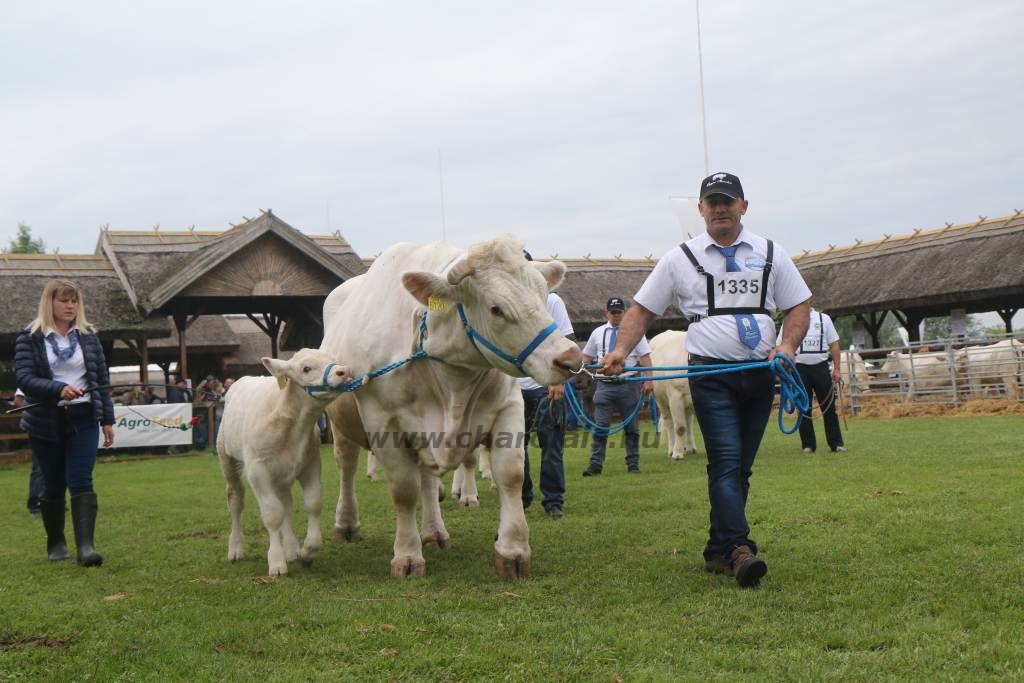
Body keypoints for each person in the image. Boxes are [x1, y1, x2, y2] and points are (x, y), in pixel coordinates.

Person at [600, 172, 811, 588]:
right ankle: (739, 549)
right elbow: (641, 310)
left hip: (759, 373)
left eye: (727, 201)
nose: (719, 208)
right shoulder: (679, 258)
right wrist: (621, 351)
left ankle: (717, 549)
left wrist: (787, 346)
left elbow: (799, 304)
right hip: (710, 375)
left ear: (743, 206)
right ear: (700, 210)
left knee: (741, 467)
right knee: (727, 462)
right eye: (711, 202)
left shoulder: (772, 253)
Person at [15, 279, 115, 566]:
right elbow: (24, 377)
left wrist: (107, 418)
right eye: (64, 300)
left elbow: (101, 381)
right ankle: (56, 541)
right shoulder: (29, 337)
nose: (71, 306)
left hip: (83, 418)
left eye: (74, 301)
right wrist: (57, 388)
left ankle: (86, 547)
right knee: (54, 484)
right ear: (50, 302)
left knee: (82, 479)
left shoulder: (89, 337)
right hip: (45, 420)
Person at [519, 250, 576, 519]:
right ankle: (521, 496)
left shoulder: (551, 300)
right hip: (512, 387)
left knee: (551, 445)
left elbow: (566, 339)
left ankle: (553, 500)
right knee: (514, 446)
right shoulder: (502, 303)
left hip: (545, 385)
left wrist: (558, 381)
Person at [581, 297, 653, 476]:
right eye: (613, 312)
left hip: (627, 384)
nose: (616, 315)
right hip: (604, 386)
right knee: (601, 427)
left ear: (624, 313)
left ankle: (633, 464)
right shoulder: (597, 333)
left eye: (619, 312)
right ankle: (595, 464)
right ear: (607, 313)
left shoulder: (635, 334)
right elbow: (586, 357)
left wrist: (649, 380)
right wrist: (574, 371)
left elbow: (645, 358)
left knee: (632, 428)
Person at [779, 305, 846, 454]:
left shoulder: (824, 319)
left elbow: (834, 345)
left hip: (820, 367)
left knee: (829, 407)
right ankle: (808, 445)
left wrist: (837, 369)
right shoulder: (789, 321)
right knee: (804, 408)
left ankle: (836, 444)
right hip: (799, 369)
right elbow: (781, 345)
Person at [14, 388, 46, 517]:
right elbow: (18, 401)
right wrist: (35, 411)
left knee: (57, 466)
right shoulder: (30, 378)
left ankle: (53, 500)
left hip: (56, 425)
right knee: (39, 467)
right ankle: (35, 503)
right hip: (39, 427)